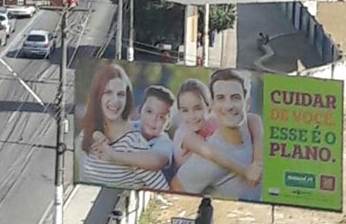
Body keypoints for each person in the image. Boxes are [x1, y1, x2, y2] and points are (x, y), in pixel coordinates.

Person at [171, 69, 263, 201]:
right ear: (213, 104)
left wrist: (258, 163)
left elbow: (255, 121)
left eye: (235, 97)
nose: (228, 105)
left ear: (247, 103)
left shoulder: (254, 127)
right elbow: (175, 190)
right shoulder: (203, 161)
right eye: (221, 98)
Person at [77, 63, 168, 191]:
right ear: (97, 97)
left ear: (127, 99)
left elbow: (164, 189)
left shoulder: (133, 144)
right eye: (108, 92)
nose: (115, 101)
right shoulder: (85, 136)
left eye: (120, 94)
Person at [92, 85, 175, 182]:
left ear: (168, 124)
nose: (153, 119)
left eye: (161, 117)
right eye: (149, 111)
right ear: (140, 110)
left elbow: (156, 161)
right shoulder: (129, 127)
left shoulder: (165, 143)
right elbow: (102, 129)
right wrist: (98, 135)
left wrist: (114, 155)